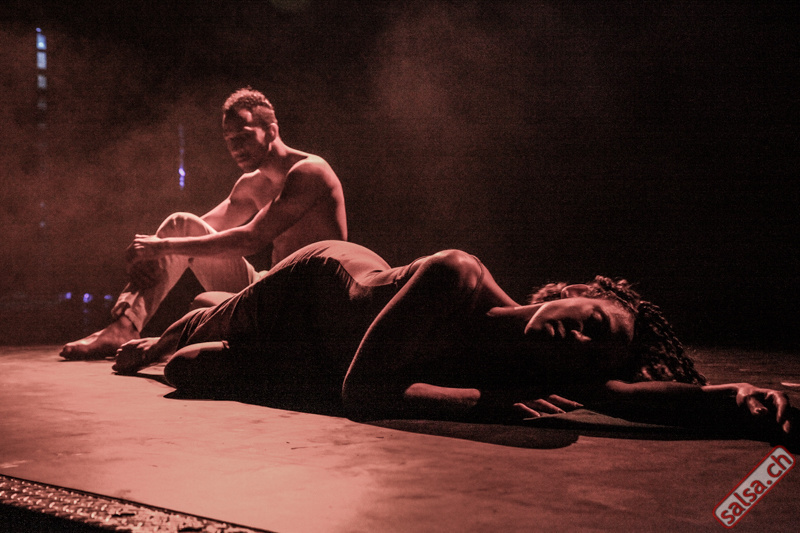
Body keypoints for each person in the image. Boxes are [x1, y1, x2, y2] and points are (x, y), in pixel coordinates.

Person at [112, 240, 792, 435]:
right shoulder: (457, 275)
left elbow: (626, 398)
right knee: (180, 342)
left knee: (188, 373)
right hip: (315, 285)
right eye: (592, 321)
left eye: (593, 349)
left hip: (320, 357)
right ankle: (176, 325)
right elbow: (363, 393)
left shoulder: (549, 362)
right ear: (574, 292)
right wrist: (485, 403)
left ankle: (207, 313)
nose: (580, 341)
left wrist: (745, 402)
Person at [61, 88, 347, 360]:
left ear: (271, 131)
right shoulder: (251, 185)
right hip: (268, 287)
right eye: (229, 139)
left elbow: (251, 238)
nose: (236, 147)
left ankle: (169, 341)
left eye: (244, 136)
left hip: (305, 300)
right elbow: (190, 233)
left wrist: (161, 247)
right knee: (179, 225)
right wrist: (149, 254)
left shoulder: (310, 172)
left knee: (201, 300)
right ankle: (124, 326)